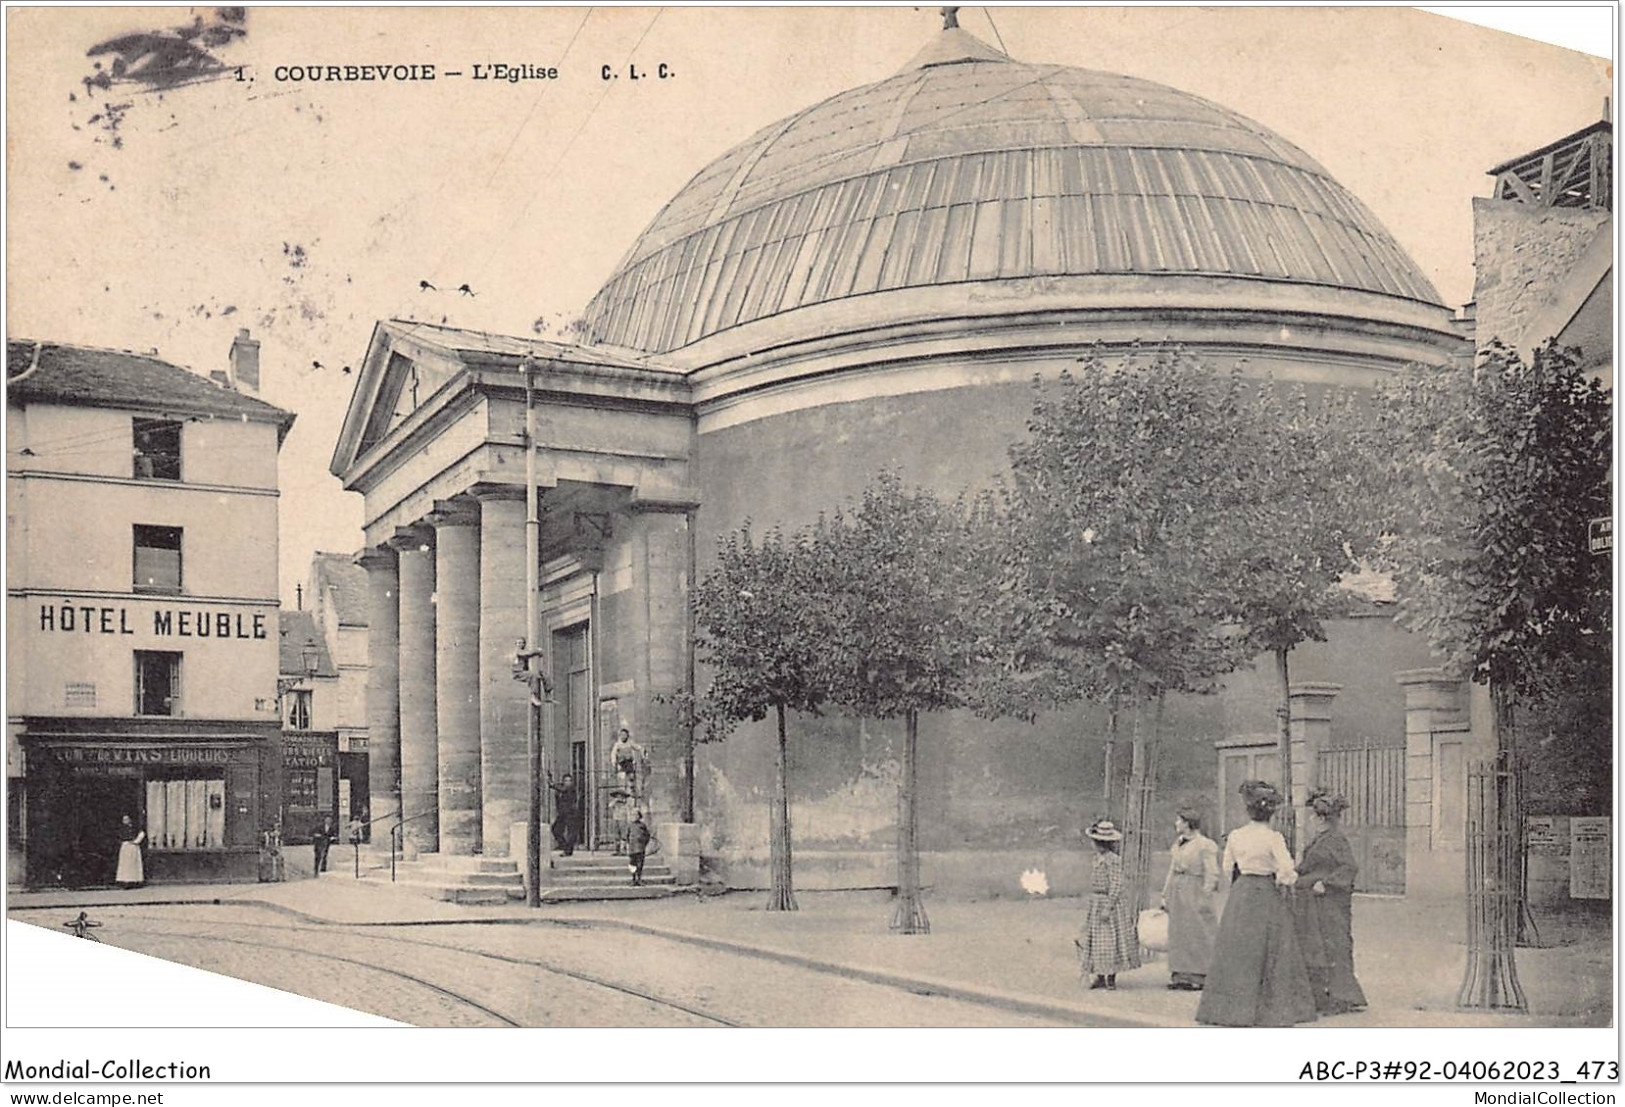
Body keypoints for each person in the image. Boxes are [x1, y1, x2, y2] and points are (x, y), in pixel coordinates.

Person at [1196, 780, 1318, 1027]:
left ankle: (1230, 1009)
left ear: (1248, 810)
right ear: (1271, 813)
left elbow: (1227, 867)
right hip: (1265, 892)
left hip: (1242, 893)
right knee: (1271, 948)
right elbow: (1286, 870)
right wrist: (1287, 879)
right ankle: (1267, 1007)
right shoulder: (1274, 838)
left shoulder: (1235, 836)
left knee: (1238, 948)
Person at [1295, 790, 1368, 1015]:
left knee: (1334, 946)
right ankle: (1324, 996)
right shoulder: (1322, 838)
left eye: (1312, 816)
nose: (1309, 820)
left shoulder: (1335, 839)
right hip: (1316, 903)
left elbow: (1349, 867)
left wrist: (1326, 883)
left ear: (1321, 818)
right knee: (1319, 947)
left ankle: (1341, 997)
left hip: (1330, 904)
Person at [1074, 818, 1140, 990]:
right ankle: (1100, 975)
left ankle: (1111, 976)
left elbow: (1117, 884)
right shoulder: (1096, 859)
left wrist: (1108, 907)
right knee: (1096, 940)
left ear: (1101, 843)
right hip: (1096, 902)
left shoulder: (1113, 860)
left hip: (1109, 904)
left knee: (1110, 941)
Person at [1161, 807, 1221, 991]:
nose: (1176, 824)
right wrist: (1165, 895)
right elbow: (1172, 869)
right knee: (1179, 932)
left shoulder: (1205, 845)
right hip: (1178, 890)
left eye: (1179, 821)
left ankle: (1200, 975)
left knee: (1198, 931)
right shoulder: (1178, 843)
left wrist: (1205, 894)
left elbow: (1212, 872)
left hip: (1195, 890)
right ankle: (1180, 975)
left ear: (1188, 824)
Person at [550, 773, 581, 856]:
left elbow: (562, 789)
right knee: (555, 829)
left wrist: (552, 785)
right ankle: (565, 846)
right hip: (562, 813)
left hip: (571, 813)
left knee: (571, 833)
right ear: (563, 781)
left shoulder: (571, 789)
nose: (568, 782)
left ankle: (568, 850)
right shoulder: (561, 789)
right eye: (566, 781)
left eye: (569, 780)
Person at [609, 728, 646, 796]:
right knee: (621, 776)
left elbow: (638, 747)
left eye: (625, 735)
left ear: (627, 736)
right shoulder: (617, 744)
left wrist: (642, 752)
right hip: (621, 763)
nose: (623, 736)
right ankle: (622, 790)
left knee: (631, 776)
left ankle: (631, 791)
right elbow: (613, 753)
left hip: (629, 762)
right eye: (622, 735)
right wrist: (613, 762)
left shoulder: (630, 743)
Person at [114, 815, 145, 888]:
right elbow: (118, 837)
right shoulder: (121, 829)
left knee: (133, 864)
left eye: (127, 819)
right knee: (125, 865)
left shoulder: (135, 828)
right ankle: (125, 881)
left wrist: (136, 841)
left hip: (133, 847)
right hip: (125, 847)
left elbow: (141, 834)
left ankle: (135, 881)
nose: (125, 821)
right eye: (124, 820)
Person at [626, 810, 652, 886]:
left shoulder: (642, 825)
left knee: (640, 864)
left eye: (636, 815)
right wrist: (629, 844)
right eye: (632, 815)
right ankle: (633, 879)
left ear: (639, 816)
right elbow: (626, 836)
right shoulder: (629, 825)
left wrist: (644, 843)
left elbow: (647, 836)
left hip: (640, 848)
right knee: (632, 864)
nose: (634, 816)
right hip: (632, 848)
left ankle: (639, 879)